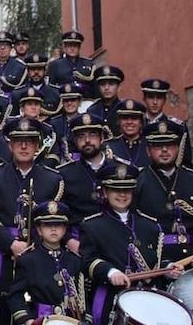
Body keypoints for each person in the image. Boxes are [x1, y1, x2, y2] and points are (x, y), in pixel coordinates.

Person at [0, 118, 65, 325]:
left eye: (30, 141)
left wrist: (34, 245)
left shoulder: (52, 179)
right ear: (10, 145)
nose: (24, 146)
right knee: (0, 310)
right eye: (19, 141)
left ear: (37, 146)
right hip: (2, 253)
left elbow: (53, 221)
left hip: (38, 254)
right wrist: (11, 244)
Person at [79, 163, 174, 325]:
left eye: (127, 190)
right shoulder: (92, 226)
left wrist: (169, 268)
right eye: (116, 190)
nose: (122, 195)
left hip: (146, 299)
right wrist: (111, 272)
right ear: (105, 192)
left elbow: (156, 262)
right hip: (111, 299)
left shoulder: (150, 225)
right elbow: (87, 261)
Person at [135, 119, 193, 263]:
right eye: (158, 146)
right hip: (157, 263)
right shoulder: (138, 183)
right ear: (148, 151)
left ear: (177, 148)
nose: (164, 150)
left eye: (170, 145)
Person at [8, 202, 90, 324]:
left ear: (64, 229)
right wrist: (27, 320)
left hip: (71, 320)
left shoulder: (75, 260)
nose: (53, 229)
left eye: (58, 225)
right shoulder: (28, 260)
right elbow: (16, 296)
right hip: (40, 320)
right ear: (39, 230)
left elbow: (84, 298)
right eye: (47, 225)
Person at [58, 113, 117, 246]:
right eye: (81, 136)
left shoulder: (117, 170)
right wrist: (69, 240)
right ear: (75, 141)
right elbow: (60, 214)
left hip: (114, 240)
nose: (87, 141)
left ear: (102, 138)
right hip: (78, 242)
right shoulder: (64, 174)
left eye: (92, 135)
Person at [140, 78, 193, 167]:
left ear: (164, 100)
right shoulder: (137, 126)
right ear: (144, 99)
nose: (155, 102)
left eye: (159, 98)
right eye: (151, 97)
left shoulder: (177, 127)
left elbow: (186, 161)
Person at [9, 53, 61, 118]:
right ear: (28, 71)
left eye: (39, 69)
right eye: (32, 69)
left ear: (45, 71)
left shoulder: (56, 93)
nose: (36, 72)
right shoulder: (17, 94)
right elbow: (14, 118)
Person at [47, 31, 95, 98]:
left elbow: (93, 87)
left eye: (75, 46)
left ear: (79, 47)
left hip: (84, 100)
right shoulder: (55, 64)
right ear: (65, 47)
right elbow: (52, 87)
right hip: (64, 100)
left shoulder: (89, 64)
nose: (72, 48)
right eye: (69, 45)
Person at [105, 99, 150, 168]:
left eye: (134, 118)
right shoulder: (109, 146)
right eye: (125, 118)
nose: (129, 122)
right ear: (119, 121)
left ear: (141, 122)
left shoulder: (149, 146)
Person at [48, 83, 84, 162]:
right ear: (62, 102)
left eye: (73, 100)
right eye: (66, 100)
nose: (69, 103)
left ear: (79, 102)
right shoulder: (54, 123)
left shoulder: (84, 122)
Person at [86, 65, 124, 136]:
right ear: (99, 87)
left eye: (111, 84)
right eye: (103, 84)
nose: (106, 88)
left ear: (119, 87)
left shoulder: (124, 109)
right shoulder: (92, 110)